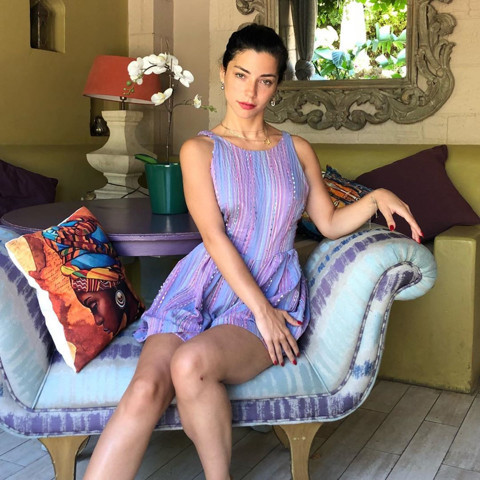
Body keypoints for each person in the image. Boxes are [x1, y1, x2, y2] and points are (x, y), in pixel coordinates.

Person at [84, 23, 422, 480]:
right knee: (146, 388)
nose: (250, 91)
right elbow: (213, 237)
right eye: (241, 75)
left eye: (265, 80)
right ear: (223, 72)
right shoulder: (199, 150)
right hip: (202, 287)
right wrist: (260, 310)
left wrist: (375, 197)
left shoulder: (297, 150)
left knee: (191, 363)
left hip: (271, 292)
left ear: (277, 86)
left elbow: (327, 223)